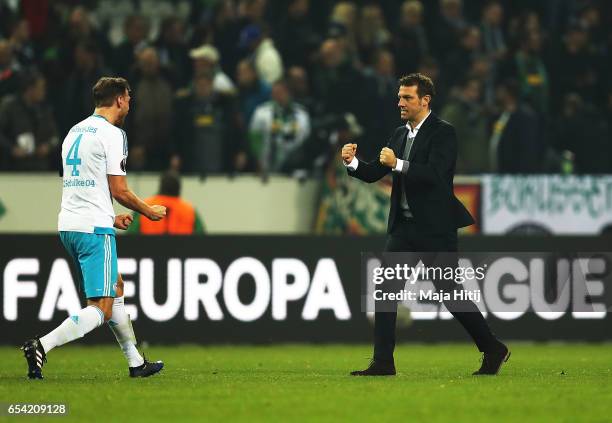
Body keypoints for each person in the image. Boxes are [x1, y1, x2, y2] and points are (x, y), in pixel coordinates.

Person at [342, 73, 509, 376]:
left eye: (407, 98)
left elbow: (435, 175)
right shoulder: (398, 134)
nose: (400, 103)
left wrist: (398, 165)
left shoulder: (443, 133)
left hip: (435, 228)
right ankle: (382, 362)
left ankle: (493, 347)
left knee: (450, 294)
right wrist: (352, 162)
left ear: (425, 100)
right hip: (404, 229)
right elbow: (372, 174)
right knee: (385, 290)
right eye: (399, 97)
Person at [22, 77, 167, 380]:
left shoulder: (74, 131)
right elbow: (120, 190)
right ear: (118, 100)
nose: (130, 102)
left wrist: (110, 217)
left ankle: (135, 362)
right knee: (100, 307)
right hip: (92, 230)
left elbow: (80, 185)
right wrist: (149, 211)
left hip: (70, 225)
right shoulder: (113, 134)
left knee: (116, 289)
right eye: (129, 97)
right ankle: (41, 345)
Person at [127, 172, 204, 235]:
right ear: (179, 188)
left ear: (161, 186)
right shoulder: (190, 210)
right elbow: (201, 238)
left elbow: (130, 234)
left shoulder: (144, 206)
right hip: (181, 252)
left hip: (148, 251)